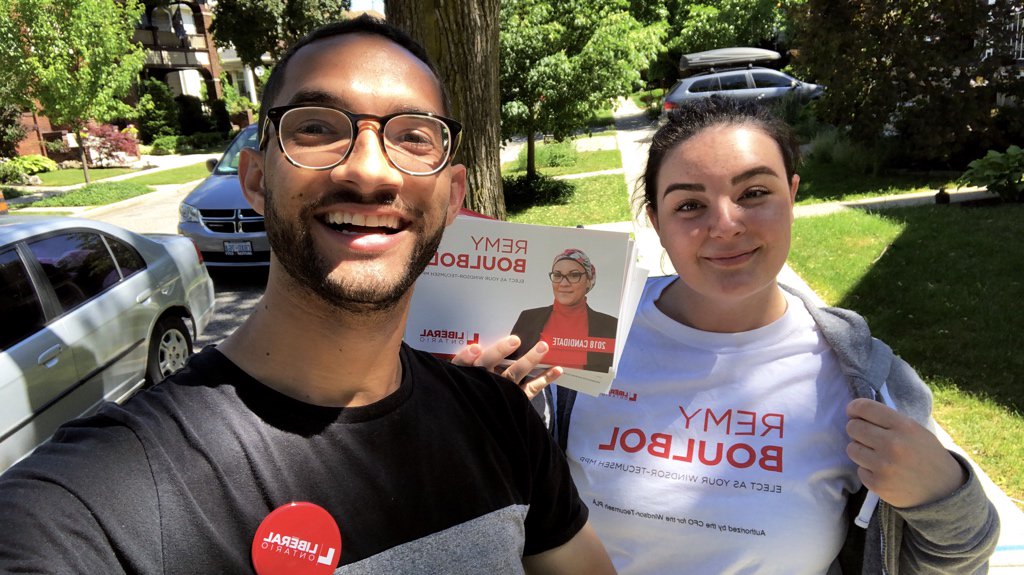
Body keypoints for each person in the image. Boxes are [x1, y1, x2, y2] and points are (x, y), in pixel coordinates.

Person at [0, 16, 613, 575]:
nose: (371, 171)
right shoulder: (91, 501)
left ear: (453, 199)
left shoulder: (498, 417)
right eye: (317, 128)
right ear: (257, 180)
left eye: (414, 136)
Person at [458, 96, 999, 574]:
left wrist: (945, 494)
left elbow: (955, 559)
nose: (725, 225)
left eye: (754, 192)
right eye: (689, 204)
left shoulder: (867, 382)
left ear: (791, 194)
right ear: (656, 221)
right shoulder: (584, 343)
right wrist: (474, 417)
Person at [509, 248, 618, 373]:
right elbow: (509, 363)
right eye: (558, 275)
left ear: (588, 280)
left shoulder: (611, 326)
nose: (563, 283)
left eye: (574, 275)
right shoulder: (528, 318)